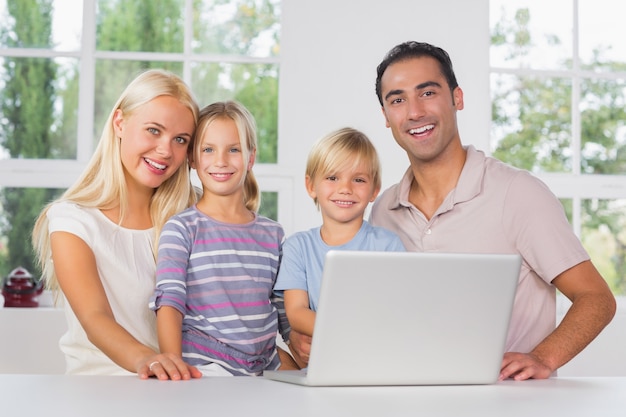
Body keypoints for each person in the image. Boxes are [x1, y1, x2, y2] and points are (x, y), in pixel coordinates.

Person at [369, 41, 616, 381]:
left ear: (457, 98)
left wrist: (543, 358)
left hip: (507, 405)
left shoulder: (518, 194)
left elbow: (596, 298)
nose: (414, 112)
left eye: (427, 93)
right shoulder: (384, 209)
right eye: (397, 100)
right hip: (415, 399)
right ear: (385, 115)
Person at [32, 69, 203, 380]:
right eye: (153, 130)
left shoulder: (195, 215)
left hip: (184, 387)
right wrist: (150, 361)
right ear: (120, 123)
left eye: (180, 139)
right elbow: (95, 318)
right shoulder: (73, 220)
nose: (165, 150)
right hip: (102, 390)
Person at [149, 100, 296, 376]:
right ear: (192, 158)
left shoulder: (273, 234)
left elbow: (282, 308)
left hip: (263, 363)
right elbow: (169, 301)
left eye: (234, 150)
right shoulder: (182, 228)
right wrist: (173, 365)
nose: (221, 161)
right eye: (208, 150)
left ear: (251, 157)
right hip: (207, 365)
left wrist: (300, 352)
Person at [273, 127, 405, 345]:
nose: (345, 188)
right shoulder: (298, 247)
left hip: (378, 353)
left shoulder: (388, 245)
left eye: (359, 180)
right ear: (311, 186)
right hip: (324, 358)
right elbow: (296, 313)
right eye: (332, 177)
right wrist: (348, 336)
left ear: (374, 190)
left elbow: (399, 309)